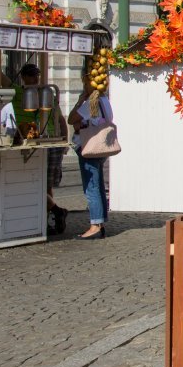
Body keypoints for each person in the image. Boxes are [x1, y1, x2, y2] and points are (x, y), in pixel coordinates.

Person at [16, 64, 69, 234]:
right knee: (40, 184)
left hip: (50, 142)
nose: (35, 79)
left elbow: (61, 118)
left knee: (46, 185)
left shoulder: (47, 94)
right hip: (35, 140)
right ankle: (54, 214)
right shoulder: (20, 93)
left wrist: (65, 141)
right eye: (32, 76)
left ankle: (47, 219)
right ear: (23, 77)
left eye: (37, 75)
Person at [67, 72, 113, 240]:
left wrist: (80, 100)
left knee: (91, 186)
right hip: (101, 147)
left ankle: (95, 225)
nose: (84, 86)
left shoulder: (91, 102)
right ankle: (100, 221)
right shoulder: (105, 101)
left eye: (85, 83)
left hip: (89, 147)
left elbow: (71, 119)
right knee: (98, 184)